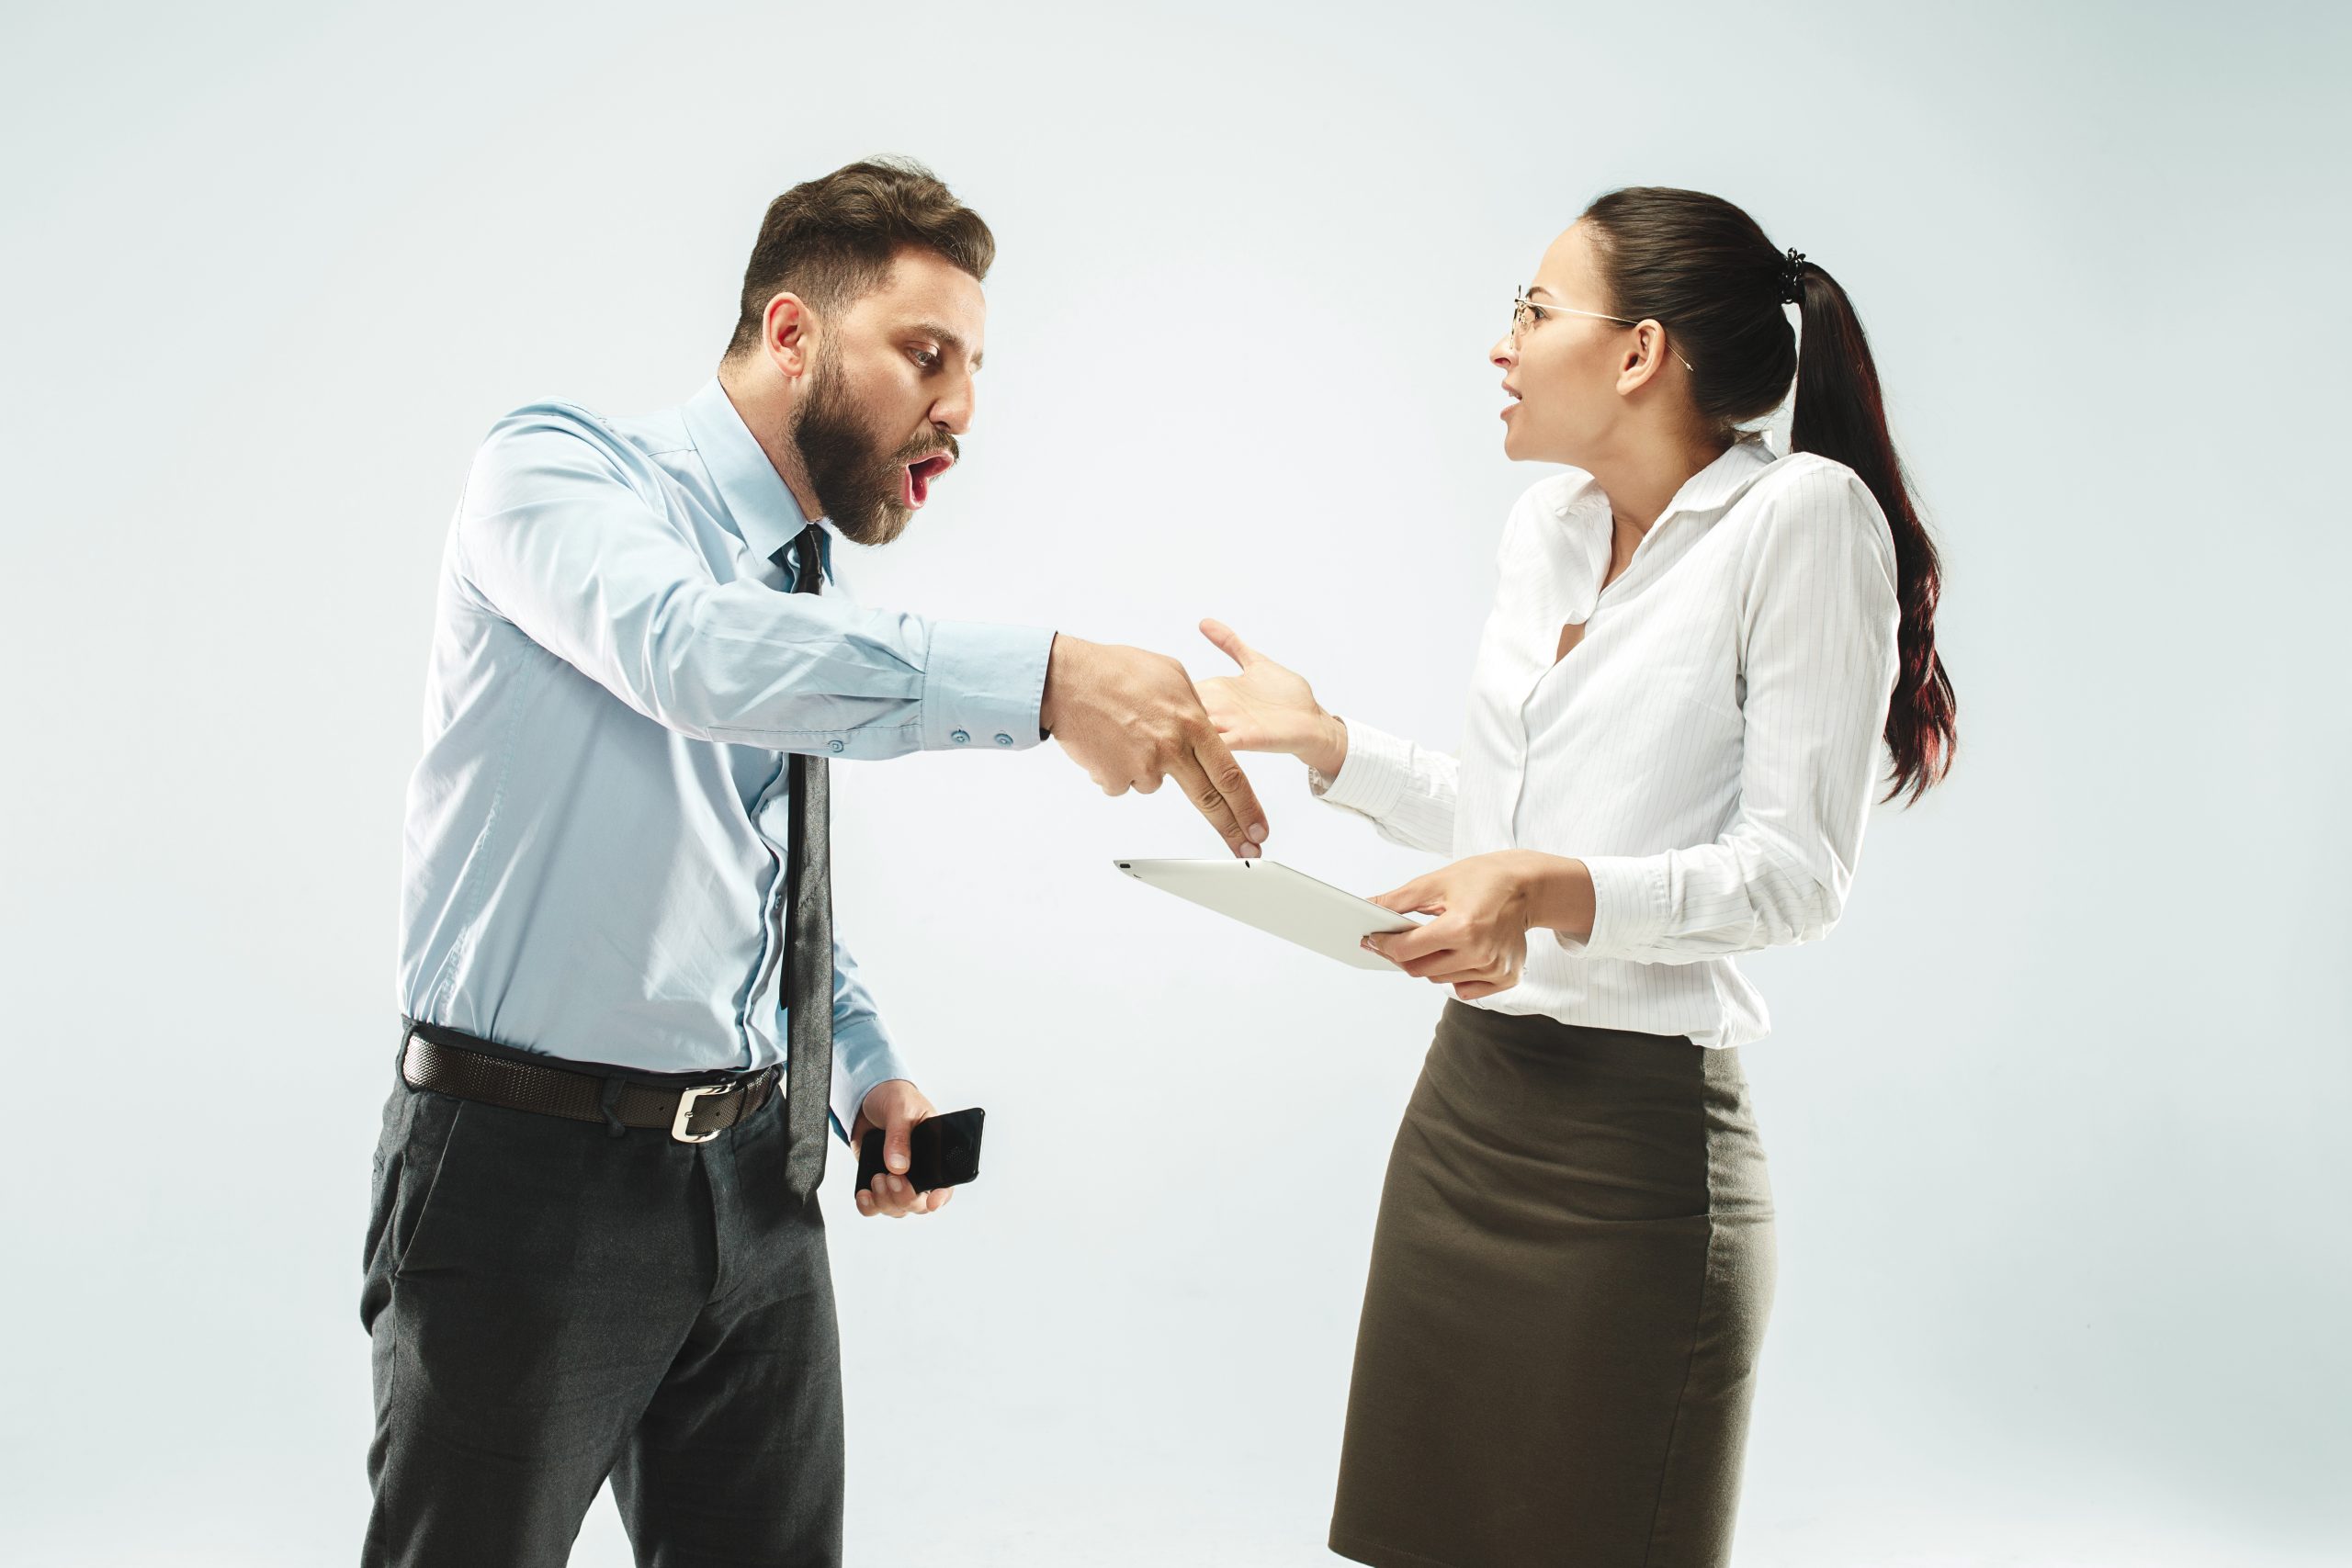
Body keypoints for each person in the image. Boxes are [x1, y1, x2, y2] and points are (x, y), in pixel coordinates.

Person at [364, 156, 1267, 1567]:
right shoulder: (554, 474)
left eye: (974, 371)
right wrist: (1046, 679)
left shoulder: (806, 590)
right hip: (525, 1172)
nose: (960, 410)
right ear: (792, 334)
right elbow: (690, 657)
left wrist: (863, 1069)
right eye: (927, 356)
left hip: (756, 1183)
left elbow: (769, 883)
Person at [1197, 186, 1956, 1568]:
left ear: (1638, 352)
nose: (1503, 343)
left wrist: (1541, 892)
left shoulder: (1799, 518)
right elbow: (1516, 823)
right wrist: (1329, 744)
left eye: (1533, 310)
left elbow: (1794, 876)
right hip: (1464, 1115)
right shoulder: (1546, 528)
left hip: (1635, 1161)